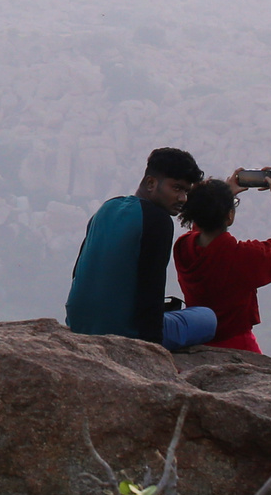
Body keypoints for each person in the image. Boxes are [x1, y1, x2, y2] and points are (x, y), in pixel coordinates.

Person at [66, 148, 218, 349]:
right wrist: (153, 351)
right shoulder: (158, 220)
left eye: (186, 191)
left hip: (78, 324)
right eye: (176, 188)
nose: (183, 198)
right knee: (207, 317)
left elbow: (78, 271)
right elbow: (151, 288)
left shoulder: (107, 207)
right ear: (151, 183)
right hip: (122, 333)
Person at [174, 169, 271, 352]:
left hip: (197, 339)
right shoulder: (242, 257)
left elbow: (200, 227)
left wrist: (221, 196)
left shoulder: (183, 248)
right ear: (230, 216)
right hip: (237, 344)